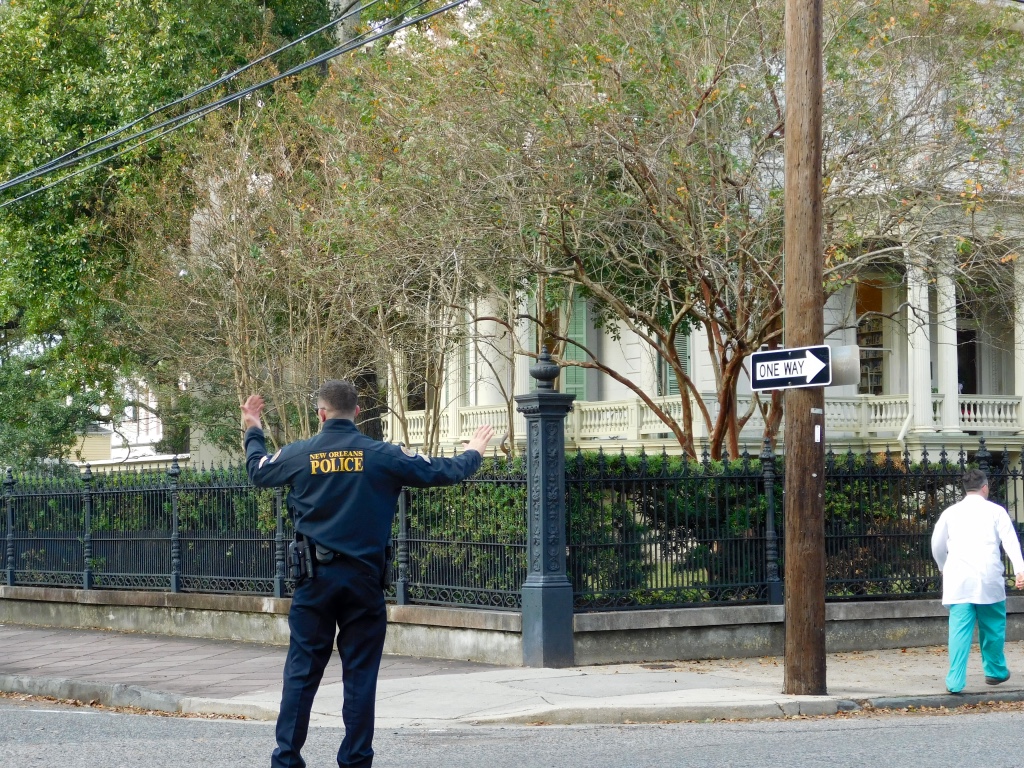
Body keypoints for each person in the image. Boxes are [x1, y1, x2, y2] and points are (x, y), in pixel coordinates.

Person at [241, 380, 494, 768]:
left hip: (314, 581)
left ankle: (287, 760)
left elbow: (258, 470)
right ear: (357, 412)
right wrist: (474, 451)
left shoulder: (299, 455)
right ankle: (356, 761)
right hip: (364, 582)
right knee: (360, 676)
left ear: (321, 414)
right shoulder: (381, 455)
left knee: (301, 674)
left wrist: (253, 428)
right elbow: (444, 471)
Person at [931, 468, 1024, 694]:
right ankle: (995, 670)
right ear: (985, 487)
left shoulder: (950, 513)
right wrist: (1020, 570)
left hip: (959, 579)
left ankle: (955, 680)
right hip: (988, 578)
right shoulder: (996, 511)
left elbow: (937, 545)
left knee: (959, 632)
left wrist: (943, 567)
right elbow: (1010, 542)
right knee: (993, 628)